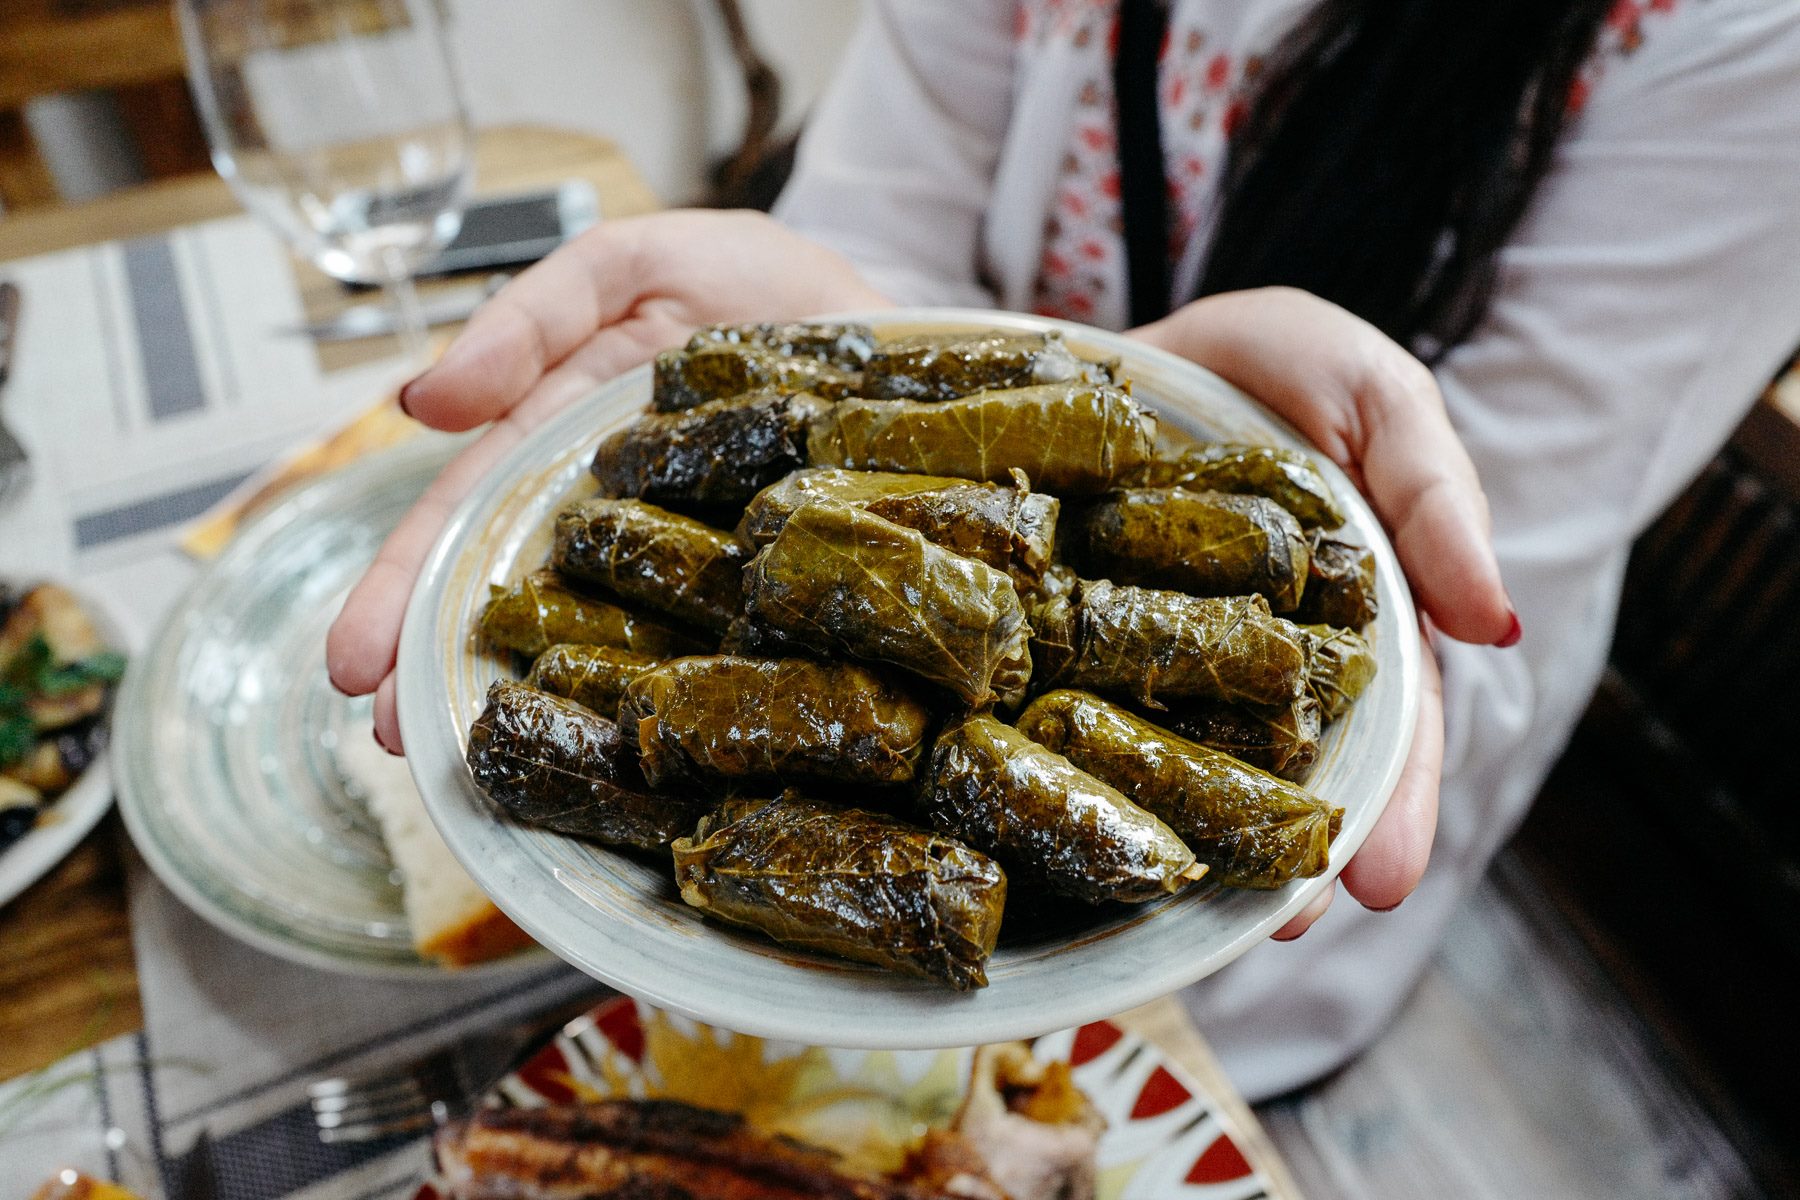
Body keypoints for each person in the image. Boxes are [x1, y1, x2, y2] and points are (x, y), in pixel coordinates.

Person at [326, 0, 1800, 1100]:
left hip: (1250, 952)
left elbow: (1497, 545)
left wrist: (1188, 436)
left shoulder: (1738, 39)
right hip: (846, 877)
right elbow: (894, 210)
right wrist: (855, 355)